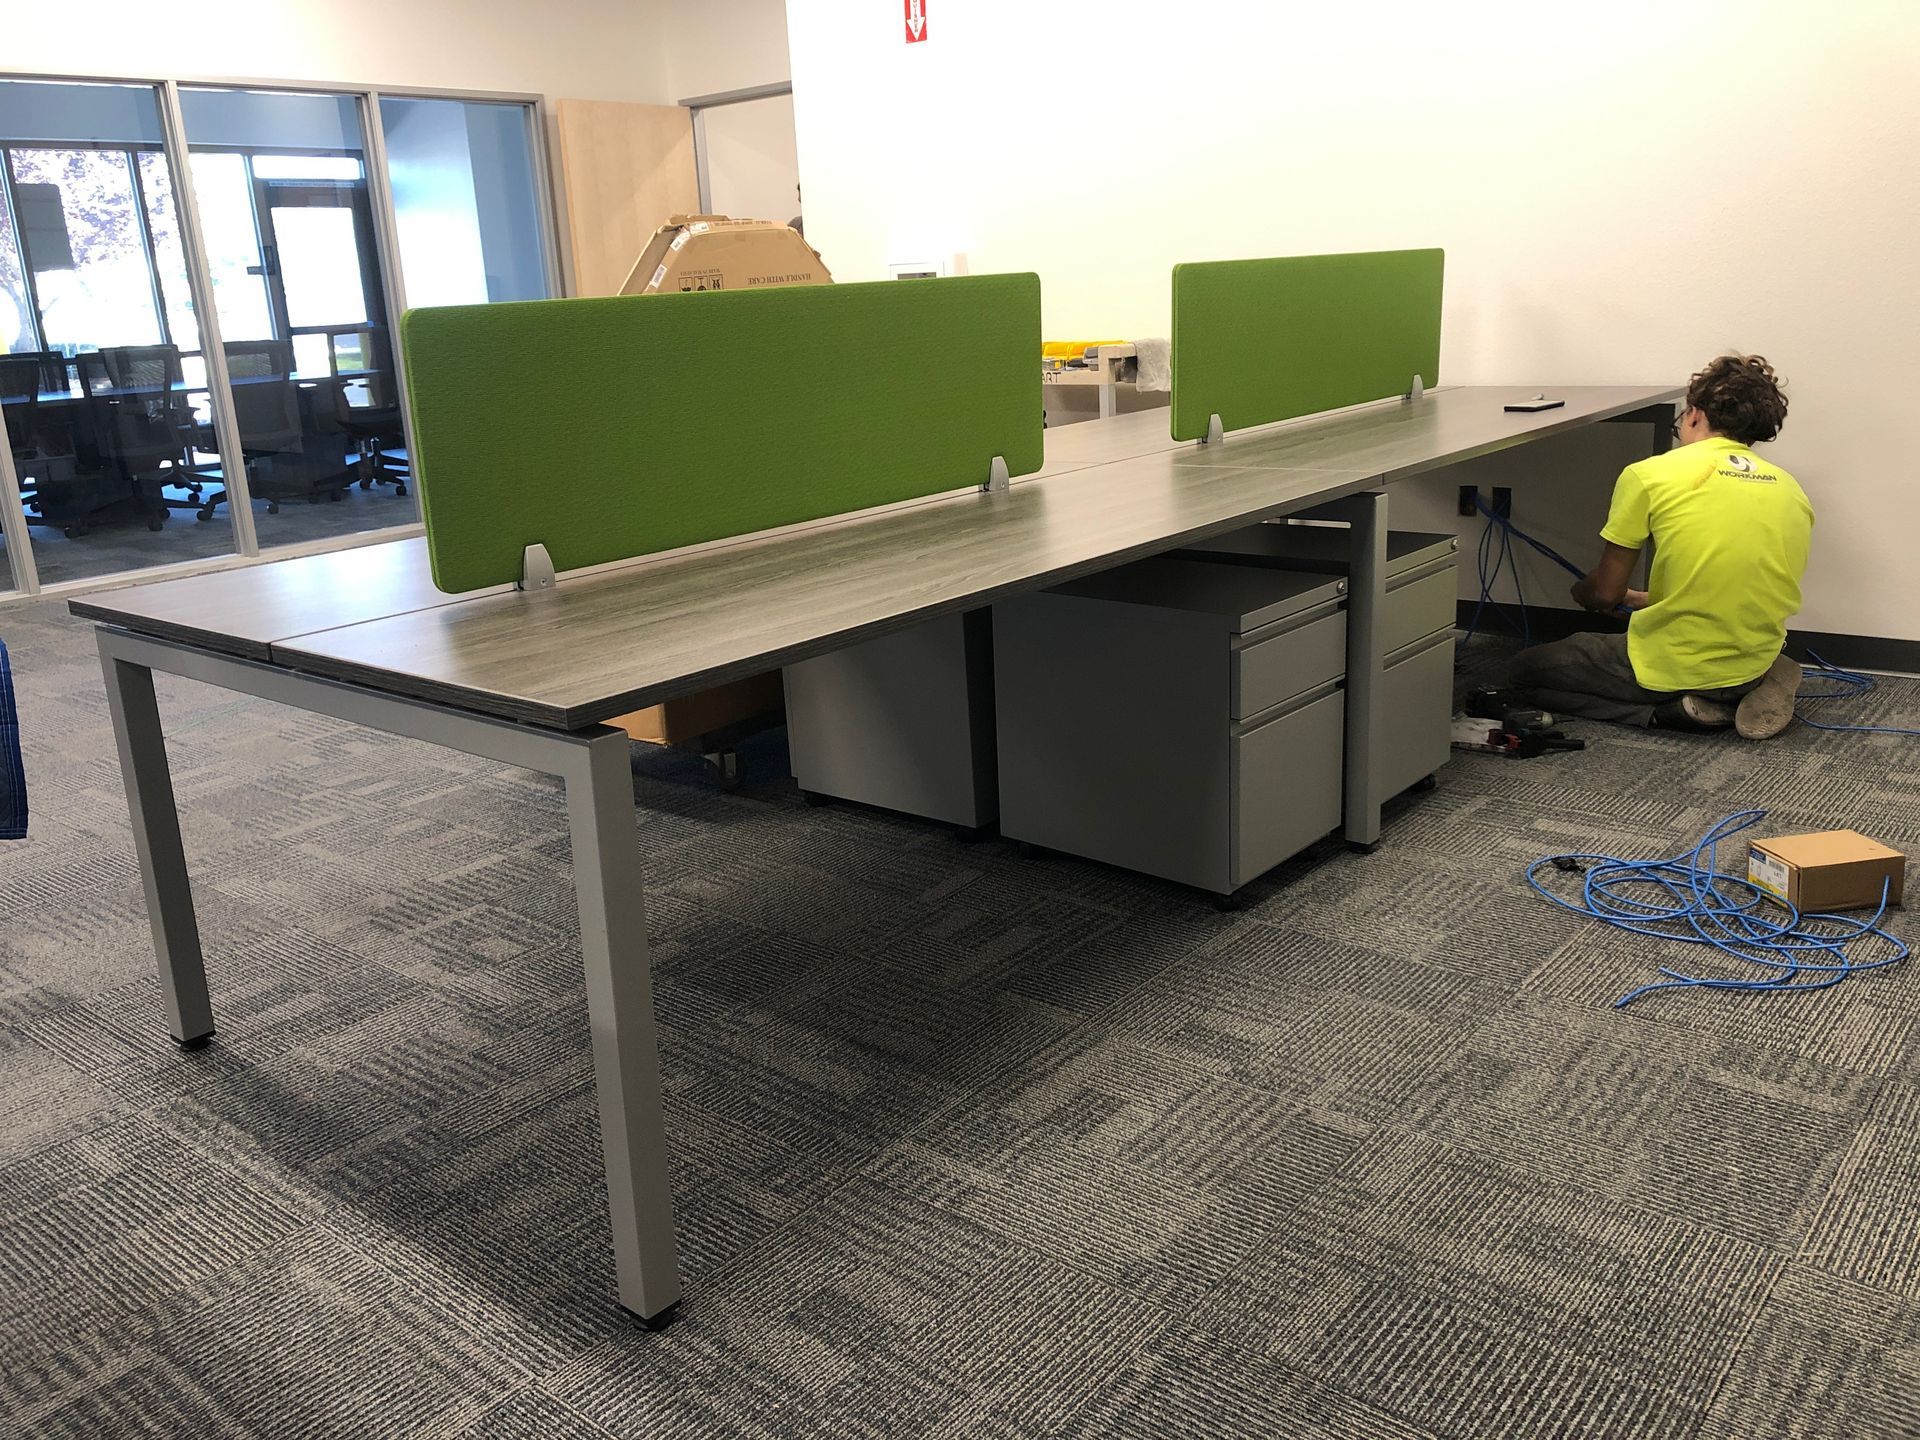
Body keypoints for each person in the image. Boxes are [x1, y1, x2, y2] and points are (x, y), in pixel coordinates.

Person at [1510, 353, 1811, 738]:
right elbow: (1736, 577)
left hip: (1676, 663)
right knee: (1734, 656)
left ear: (1694, 415)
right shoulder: (1789, 487)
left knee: (1524, 673)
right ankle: (1764, 676)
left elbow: (1604, 594)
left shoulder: (1650, 475)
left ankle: (1671, 712)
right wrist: (1643, 599)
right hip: (1754, 652)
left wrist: (1583, 592)